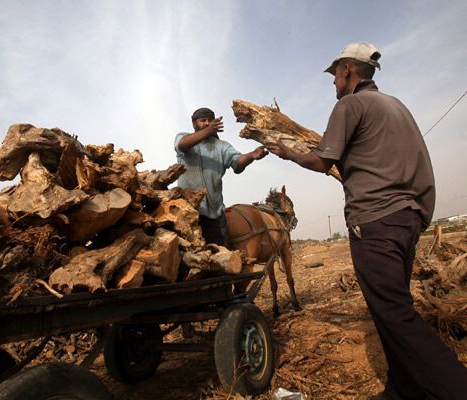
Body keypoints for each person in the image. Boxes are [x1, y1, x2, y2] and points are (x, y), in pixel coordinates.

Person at [268, 42, 467, 400]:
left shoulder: (350, 105)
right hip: (407, 220)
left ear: (347, 70)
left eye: (335, 76)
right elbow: (422, 164)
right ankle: (401, 389)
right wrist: (419, 216)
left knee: (394, 314)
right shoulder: (396, 106)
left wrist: (287, 153)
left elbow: (321, 162)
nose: (333, 83)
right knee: (390, 311)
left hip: (375, 222)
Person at [175, 107, 267, 246]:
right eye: (203, 120)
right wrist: (208, 131)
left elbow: (237, 164)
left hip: (214, 215)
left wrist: (251, 155)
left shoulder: (222, 146)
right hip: (186, 211)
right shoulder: (183, 137)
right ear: (194, 124)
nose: (207, 123)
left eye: (210, 120)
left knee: (217, 258)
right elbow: (181, 145)